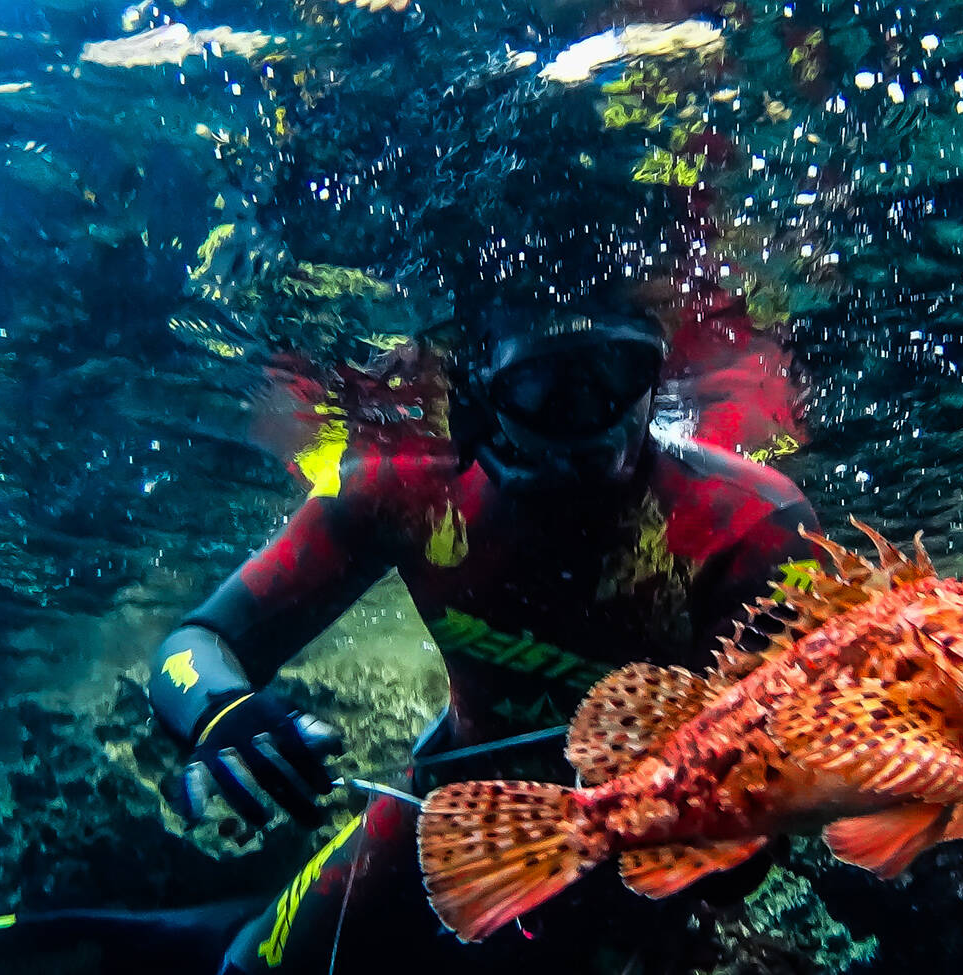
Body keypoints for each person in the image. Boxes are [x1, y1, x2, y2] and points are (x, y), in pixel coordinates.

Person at [149, 295, 822, 973]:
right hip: (442, 809)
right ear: (475, 393)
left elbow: (786, 775)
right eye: (543, 386)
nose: (596, 417)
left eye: (621, 371)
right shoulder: (409, 488)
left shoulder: (749, 529)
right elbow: (198, 643)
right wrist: (221, 712)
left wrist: (741, 832)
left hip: (630, 865)